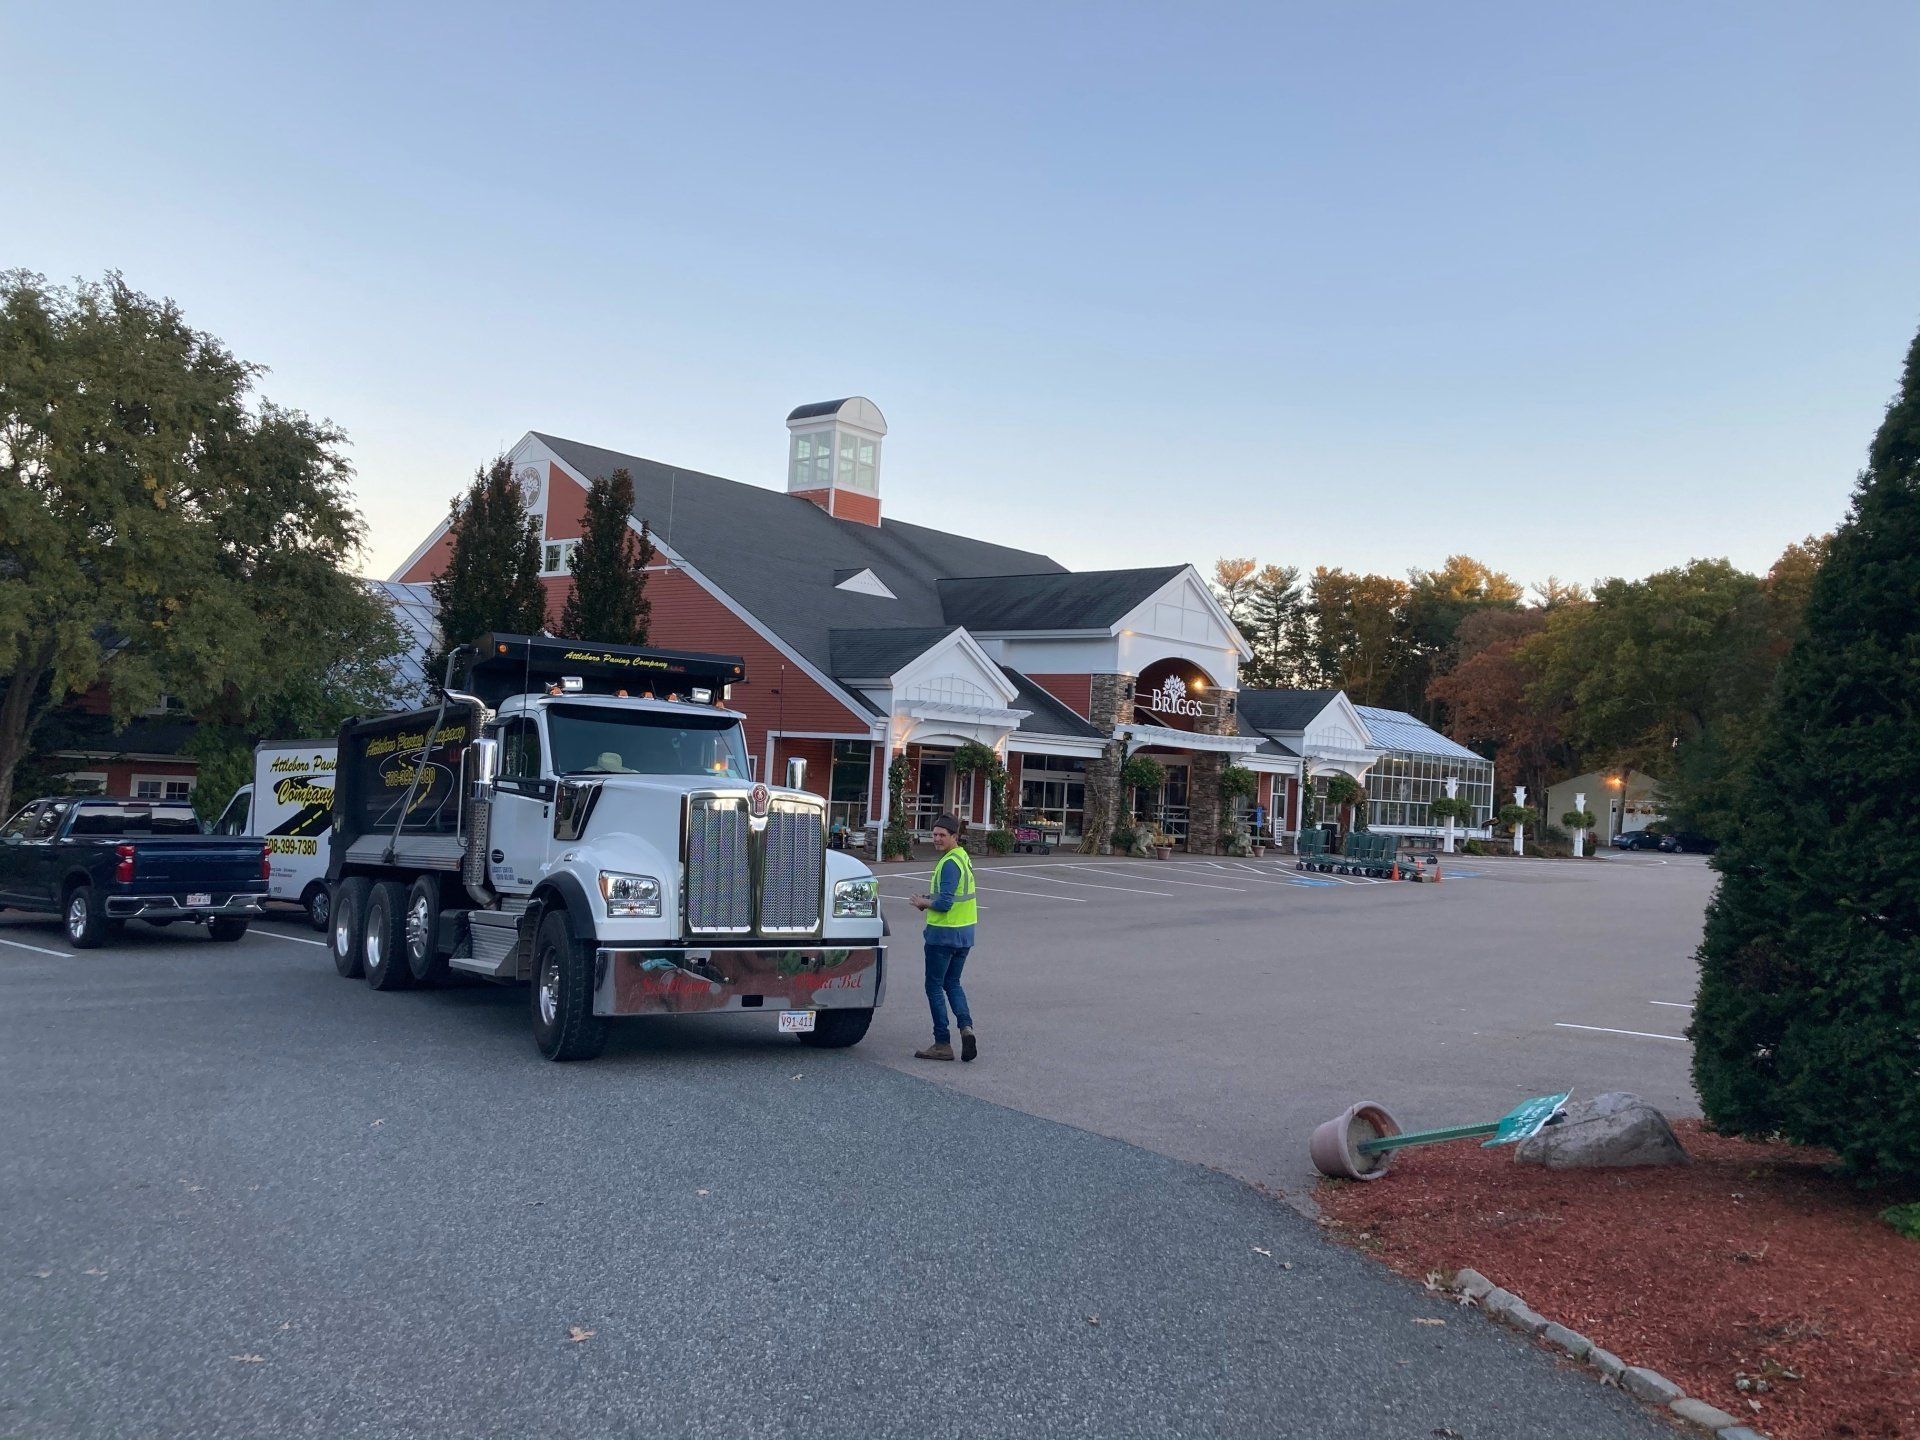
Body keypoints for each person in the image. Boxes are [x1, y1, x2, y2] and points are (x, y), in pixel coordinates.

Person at [909, 813, 978, 1062]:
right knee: (953, 983)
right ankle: (966, 1027)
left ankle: (942, 1043)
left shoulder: (949, 862)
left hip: (943, 936)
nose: (936, 838)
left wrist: (923, 903)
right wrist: (931, 899)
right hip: (964, 934)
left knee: (934, 986)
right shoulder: (962, 858)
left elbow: (946, 903)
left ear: (954, 837)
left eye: (942, 835)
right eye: (934, 834)